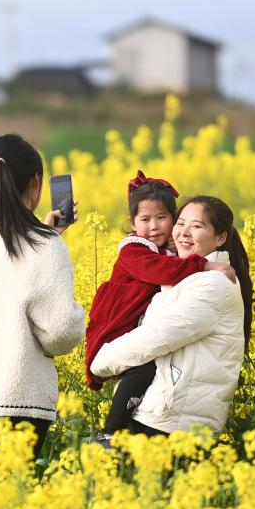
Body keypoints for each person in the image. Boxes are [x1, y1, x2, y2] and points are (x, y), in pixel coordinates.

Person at [0, 134, 85, 468]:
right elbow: (62, 331)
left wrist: (45, 233)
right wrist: (48, 239)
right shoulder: (46, 248)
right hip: (15, 396)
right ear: (36, 182)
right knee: (4, 499)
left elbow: (10, 273)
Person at [85, 171, 234, 443]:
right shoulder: (134, 249)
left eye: (162, 218)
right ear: (132, 224)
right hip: (118, 320)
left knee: (143, 369)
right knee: (141, 369)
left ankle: (112, 432)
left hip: (175, 414)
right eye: (144, 220)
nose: (154, 226)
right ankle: (110, 431)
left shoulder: (183, 264)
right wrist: (205, 264)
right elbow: (162, 271)